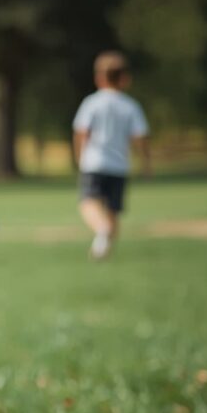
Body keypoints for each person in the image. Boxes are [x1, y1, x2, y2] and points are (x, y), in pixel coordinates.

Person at [73, 51, 150, 260]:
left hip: (94, 162)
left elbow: (81, 133)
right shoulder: (130, 106)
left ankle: (102, 231)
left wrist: (79, 158)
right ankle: (103, 250)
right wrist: (145, 163)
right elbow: (139, 137)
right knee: (112, 211)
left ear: (99, 77)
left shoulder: (92, 103)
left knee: (88, 202)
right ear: (124, 78)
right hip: (119, 165)